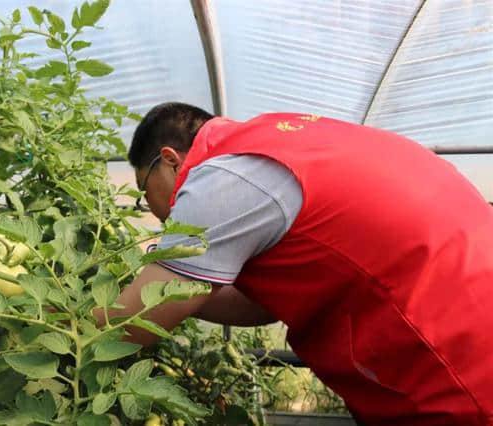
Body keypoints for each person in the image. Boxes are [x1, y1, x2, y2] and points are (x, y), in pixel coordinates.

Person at [96, 102, 493, 426]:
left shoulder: (221, 178)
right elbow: (260, 304)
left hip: (456, 371)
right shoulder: (281, 142)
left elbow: (123, 330)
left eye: (145, 189)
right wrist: (169, 278)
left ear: (169, 160)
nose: (156, 211)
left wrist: (54, 321)